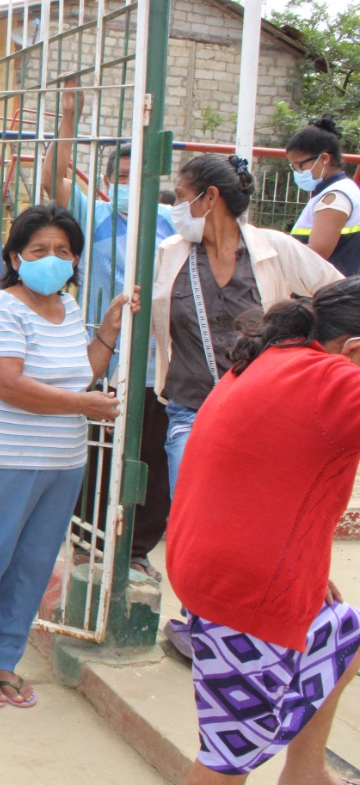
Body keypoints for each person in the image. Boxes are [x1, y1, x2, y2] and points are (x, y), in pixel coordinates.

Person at [166, 278, 360, 783]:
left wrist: (304, 570)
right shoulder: (337, 381)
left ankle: (306, 773)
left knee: (339, 634)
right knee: (228, 757)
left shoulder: (277, 358)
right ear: (354, 349)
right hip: (245, 588)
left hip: (219, 564)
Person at [0, 202, 138, 709]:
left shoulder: (68, 309)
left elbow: (82, 374)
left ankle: (3, 660)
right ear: (15, 257)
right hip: (5, 459)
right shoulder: (1, 308)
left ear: (75, 259)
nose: (52, 259)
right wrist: (83, 405)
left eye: (62, 250)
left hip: (62, 462)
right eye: (38, 250)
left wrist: (109, 331)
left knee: (32, 566)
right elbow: (8, 385)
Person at [42, 80, 176, 580]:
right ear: (103, 180)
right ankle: (87, 540)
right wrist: (69, 118)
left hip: (157, 365)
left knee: (150, 459)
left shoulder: (170, 222)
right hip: (103, 355)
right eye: (117, 175)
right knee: (96, 454)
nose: (126, 183)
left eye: (134, 175)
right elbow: (53, 177)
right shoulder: (92, 215)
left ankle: (137, 548)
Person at [152, 154, 341, 499]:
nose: (175, 208)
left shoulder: (273, 248)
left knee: (248, 509)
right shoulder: (172, 252)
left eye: (181, 196)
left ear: (210, 197)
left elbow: (340, 294)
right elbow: (152, 318)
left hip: (262, 414)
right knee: (190, 510)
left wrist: (315, 355)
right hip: (190, 409)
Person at [287, 116, 360, 276]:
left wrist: (279, 256)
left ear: (324, 159)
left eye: (300, 166)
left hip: (331, 287)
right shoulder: (341, 189)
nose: (298, 173)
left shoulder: (334, 198)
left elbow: (317, 252)